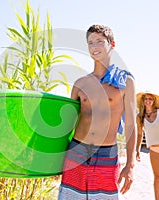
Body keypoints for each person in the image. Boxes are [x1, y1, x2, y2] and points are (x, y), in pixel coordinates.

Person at [58, 24, 136, 199]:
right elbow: (67, 124)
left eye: (100, 41)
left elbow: (131, 124)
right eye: (91, 43)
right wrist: (56, 159)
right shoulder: (80, 84)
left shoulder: (124, 82)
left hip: (107, 152)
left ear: (112, 44)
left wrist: (130, 165)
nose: (94, 47)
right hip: (76, 150)